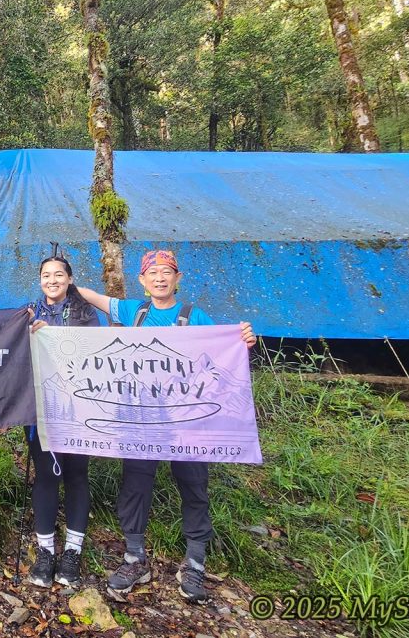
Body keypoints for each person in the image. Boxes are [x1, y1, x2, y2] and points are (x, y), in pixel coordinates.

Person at [76, 249, 256, 604]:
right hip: (143, 420)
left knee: (194, 485)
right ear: (142, 280)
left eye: (167, 272)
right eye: (153, 273)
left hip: (188, 422)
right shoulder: (134, 312)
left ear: (178, 278)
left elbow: (223, 355)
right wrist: (61, 282)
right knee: (135, 485)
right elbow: (91, 296)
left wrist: (243, 340)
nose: (160, 278)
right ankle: (134, 558)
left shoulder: (195, 316)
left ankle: (194, 562)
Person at [24, 255, 100, 588]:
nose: (52, 280)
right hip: (40, 408)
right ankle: (45, 552)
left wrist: (54, 335)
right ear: (39, 280)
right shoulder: (29, 312)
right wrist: (28, 333)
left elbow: (95, 353)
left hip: (79, 409)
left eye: (58, 274)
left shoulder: (86, 313)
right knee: (45, 475)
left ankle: (72, 551)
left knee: (76, 475)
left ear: (69, 279)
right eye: (46, 275)